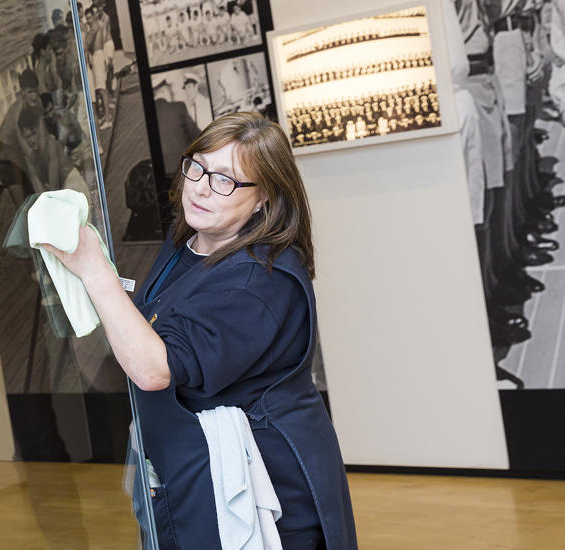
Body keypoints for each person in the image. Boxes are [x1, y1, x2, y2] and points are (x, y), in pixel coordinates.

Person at [39, 112, 356, 549]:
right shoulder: (187, 239)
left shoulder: (259, 279)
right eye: (198, 167)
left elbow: (155, 369)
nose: (201, 187)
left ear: (264, 197)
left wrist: (96, 273)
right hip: (196, 474)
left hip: (265, 494)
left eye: (225, 180)